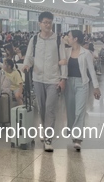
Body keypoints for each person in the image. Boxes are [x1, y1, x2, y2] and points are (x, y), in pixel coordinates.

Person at [22, 12, 67, 152]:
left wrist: (63, 79)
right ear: (39, 23)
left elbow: (64, 60)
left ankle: (48, 138)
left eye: (50, 22)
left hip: (53, 79)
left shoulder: (58, 40)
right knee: (41, 107)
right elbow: (29, 56)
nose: (48, 25)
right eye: (45, 22)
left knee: (50, 108)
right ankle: (44, 129)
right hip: (37, 79)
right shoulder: (34, 39)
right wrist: (26, 65)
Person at [59, 30, 101, 151]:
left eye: (70, 36)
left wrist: (96, 86)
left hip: (82, 84)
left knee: (80, 111)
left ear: (75, 38)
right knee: (70, 111)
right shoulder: (66, 52)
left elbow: (92, 71)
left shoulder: (86, 53)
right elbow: (61, 43)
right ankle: (73, 132)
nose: (68, 38)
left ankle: (78, 138)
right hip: (69, 83)